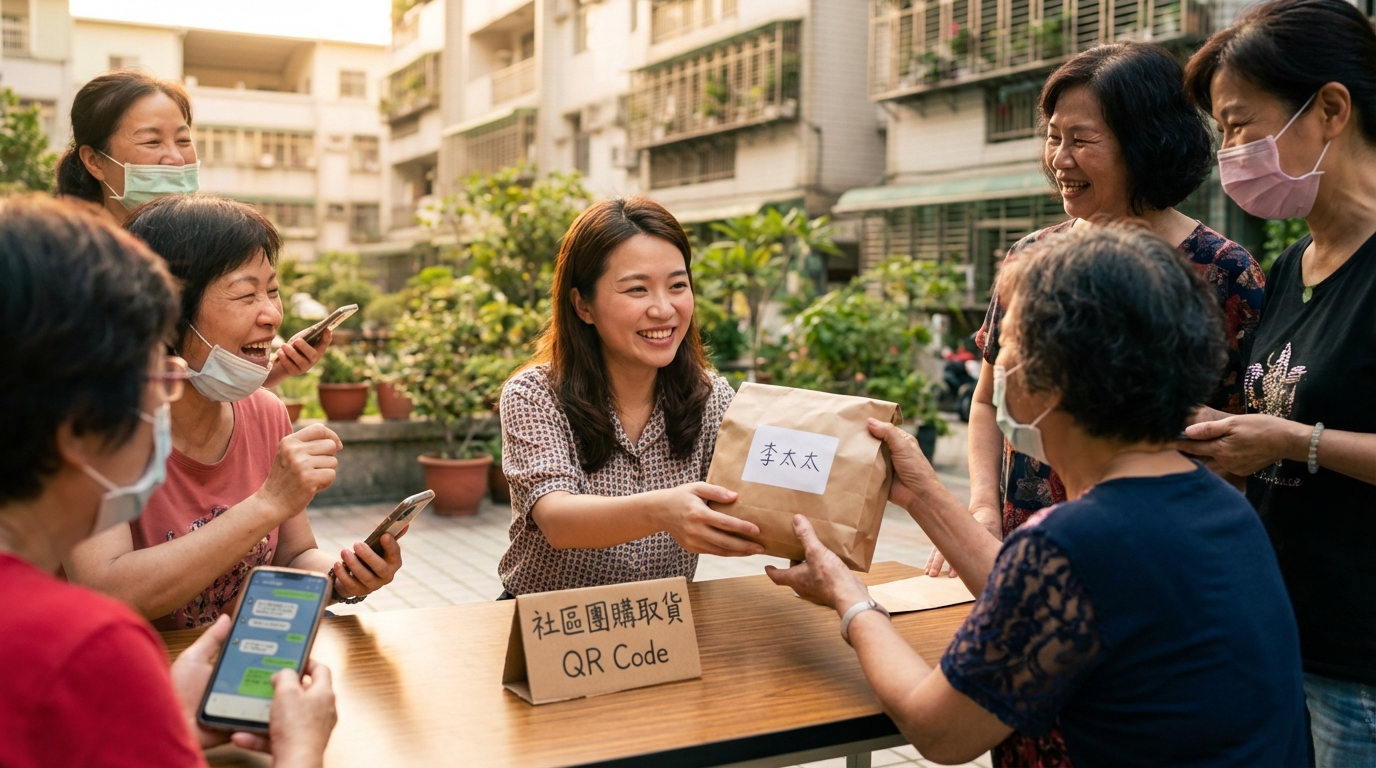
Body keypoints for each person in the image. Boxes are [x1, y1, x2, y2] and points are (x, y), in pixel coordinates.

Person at [767, 224, 1307, 768]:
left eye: (1013, 345)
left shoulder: (1069, 542)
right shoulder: (1222, 506)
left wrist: (849, 598)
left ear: (1054, 377)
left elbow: (939, 731)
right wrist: (924, 494)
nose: (998, 366)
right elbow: (1049, 599)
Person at [0, 195, 336, 767]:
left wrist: (171, 720)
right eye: (144, 377)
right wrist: (302, 752)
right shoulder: (92, 647)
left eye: (272, 290)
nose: (163, 393)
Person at [1180, 1, 1376, 763]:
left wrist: (1295, 442)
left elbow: (1292, 435)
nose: (1228, 151)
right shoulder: (1291, 268)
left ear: (1330, 108)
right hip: (1281, 632)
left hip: (1361, 666)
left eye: (1238, 123)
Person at [66, 195, 405, 629]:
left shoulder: (265, 411)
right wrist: (267, 504)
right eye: (246, 294)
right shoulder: (93, 429)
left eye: (273, 290)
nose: (272, 315)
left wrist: (342, 578)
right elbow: (106, 592)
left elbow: (293, 556)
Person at [497, 197, 762, 596]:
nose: (663, 309)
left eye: (677, 285)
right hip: (548, 629)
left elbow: (763, 493)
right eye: (637, 289)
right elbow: (558, 519)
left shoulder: (710, 397)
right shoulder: (535, 395)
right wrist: (663, 510)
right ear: (583, 305)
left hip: (659, 624)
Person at [55, 68, 323, 387]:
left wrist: (274, 368)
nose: (175, 158)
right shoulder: (63, 263)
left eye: (183, 140)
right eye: (152, 141)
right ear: (94, 161)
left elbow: (192, 388)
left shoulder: (187, 243)